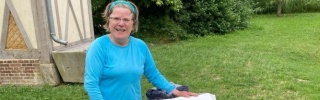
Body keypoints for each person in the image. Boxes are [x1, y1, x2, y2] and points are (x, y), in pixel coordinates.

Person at [83, 0, 198, 100]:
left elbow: (153, 74)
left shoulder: (140, 46)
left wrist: (175, 91)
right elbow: (91, 84)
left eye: (126, 19)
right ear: (109, 21)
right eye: (116, 18)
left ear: (133, 24)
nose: (121, 23)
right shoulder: (98, 47)